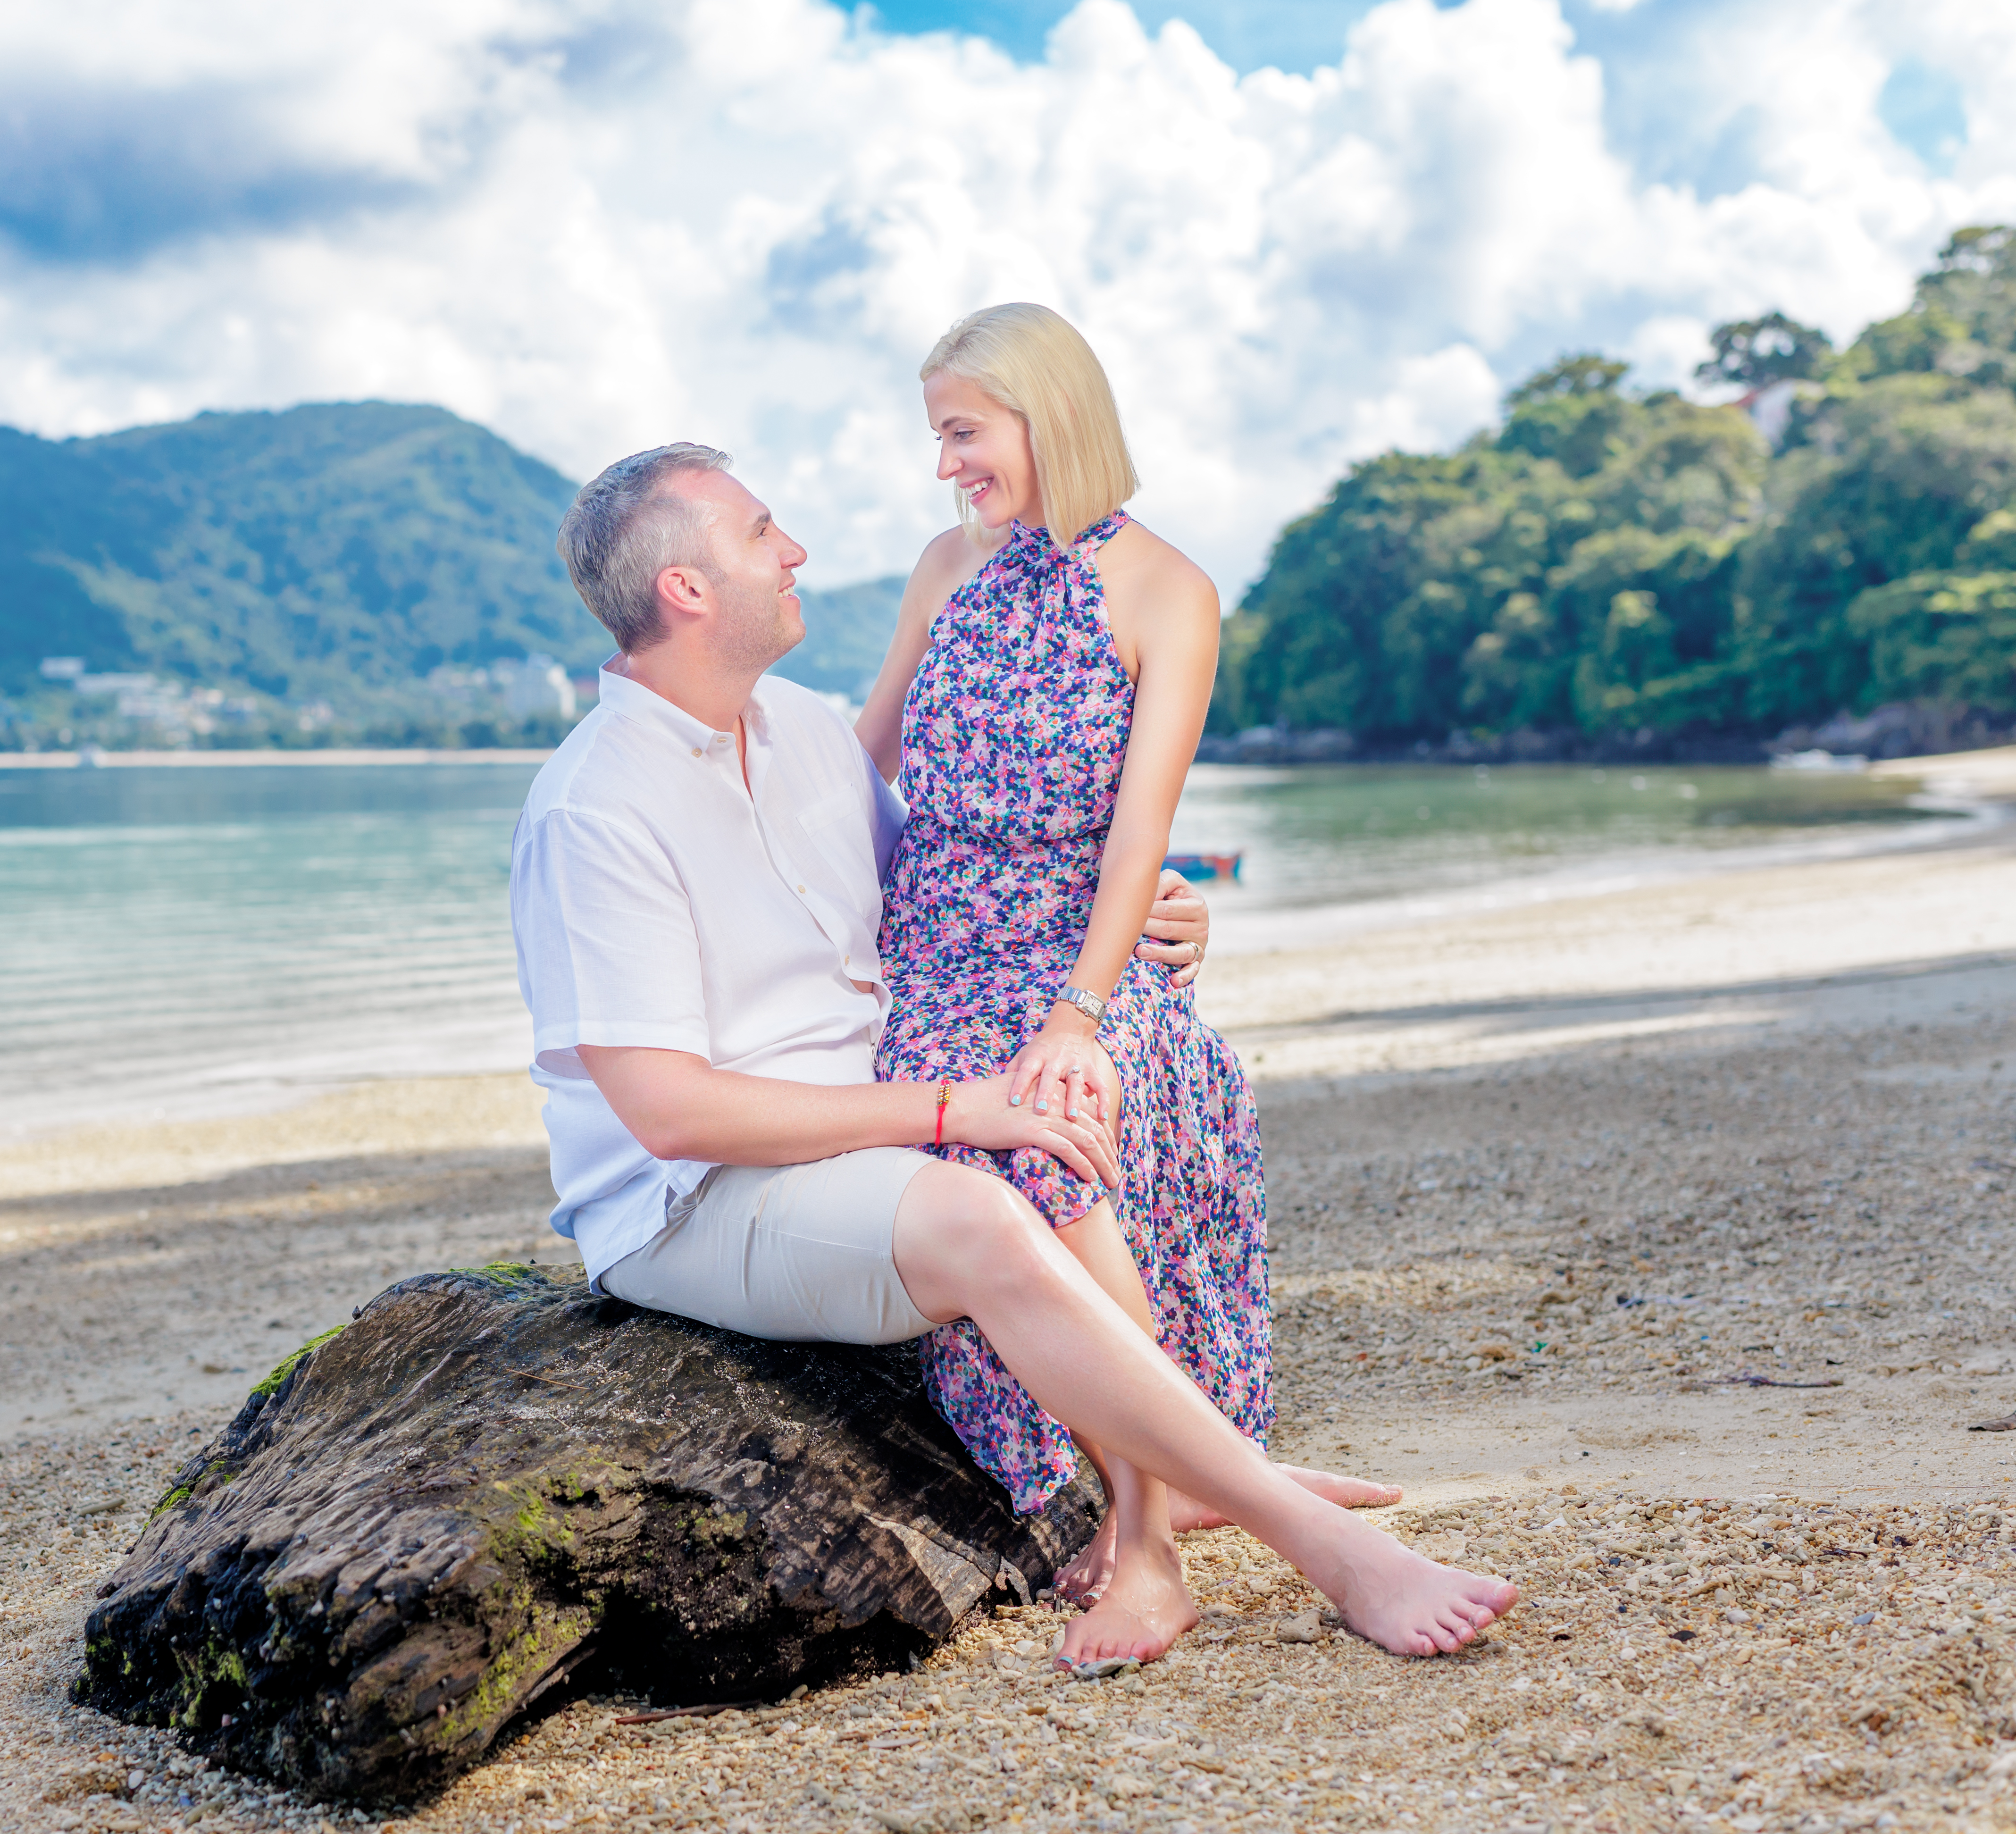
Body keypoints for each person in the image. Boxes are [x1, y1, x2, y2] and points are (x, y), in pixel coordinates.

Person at [510, 440, 1515, 1661]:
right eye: (764, 533)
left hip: (863, 1135)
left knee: (1067, 1101)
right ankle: (1322, 1545)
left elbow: (959, 887)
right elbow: (670, 1115)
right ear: (686, 590)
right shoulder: (594, 808)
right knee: (987, 1206)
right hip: (694, 1203)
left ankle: (1173, 1478)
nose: (796, 553)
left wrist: (1156, 901)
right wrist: (954, 1110)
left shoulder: (806, 735)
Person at [854, 303, 1390, 1662]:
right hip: (933, 953)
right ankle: (1192, 1487)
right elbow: (859, 762)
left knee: (1053, 1123)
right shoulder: (942, 568)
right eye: (939, 438)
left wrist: (1080, 1017)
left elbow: (1144, 833)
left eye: (962, 434)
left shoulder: (1170, 590)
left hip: (1082, 956)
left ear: (1047, 418)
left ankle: (1147, 1530)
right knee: (997, 1127)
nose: (946, 467)